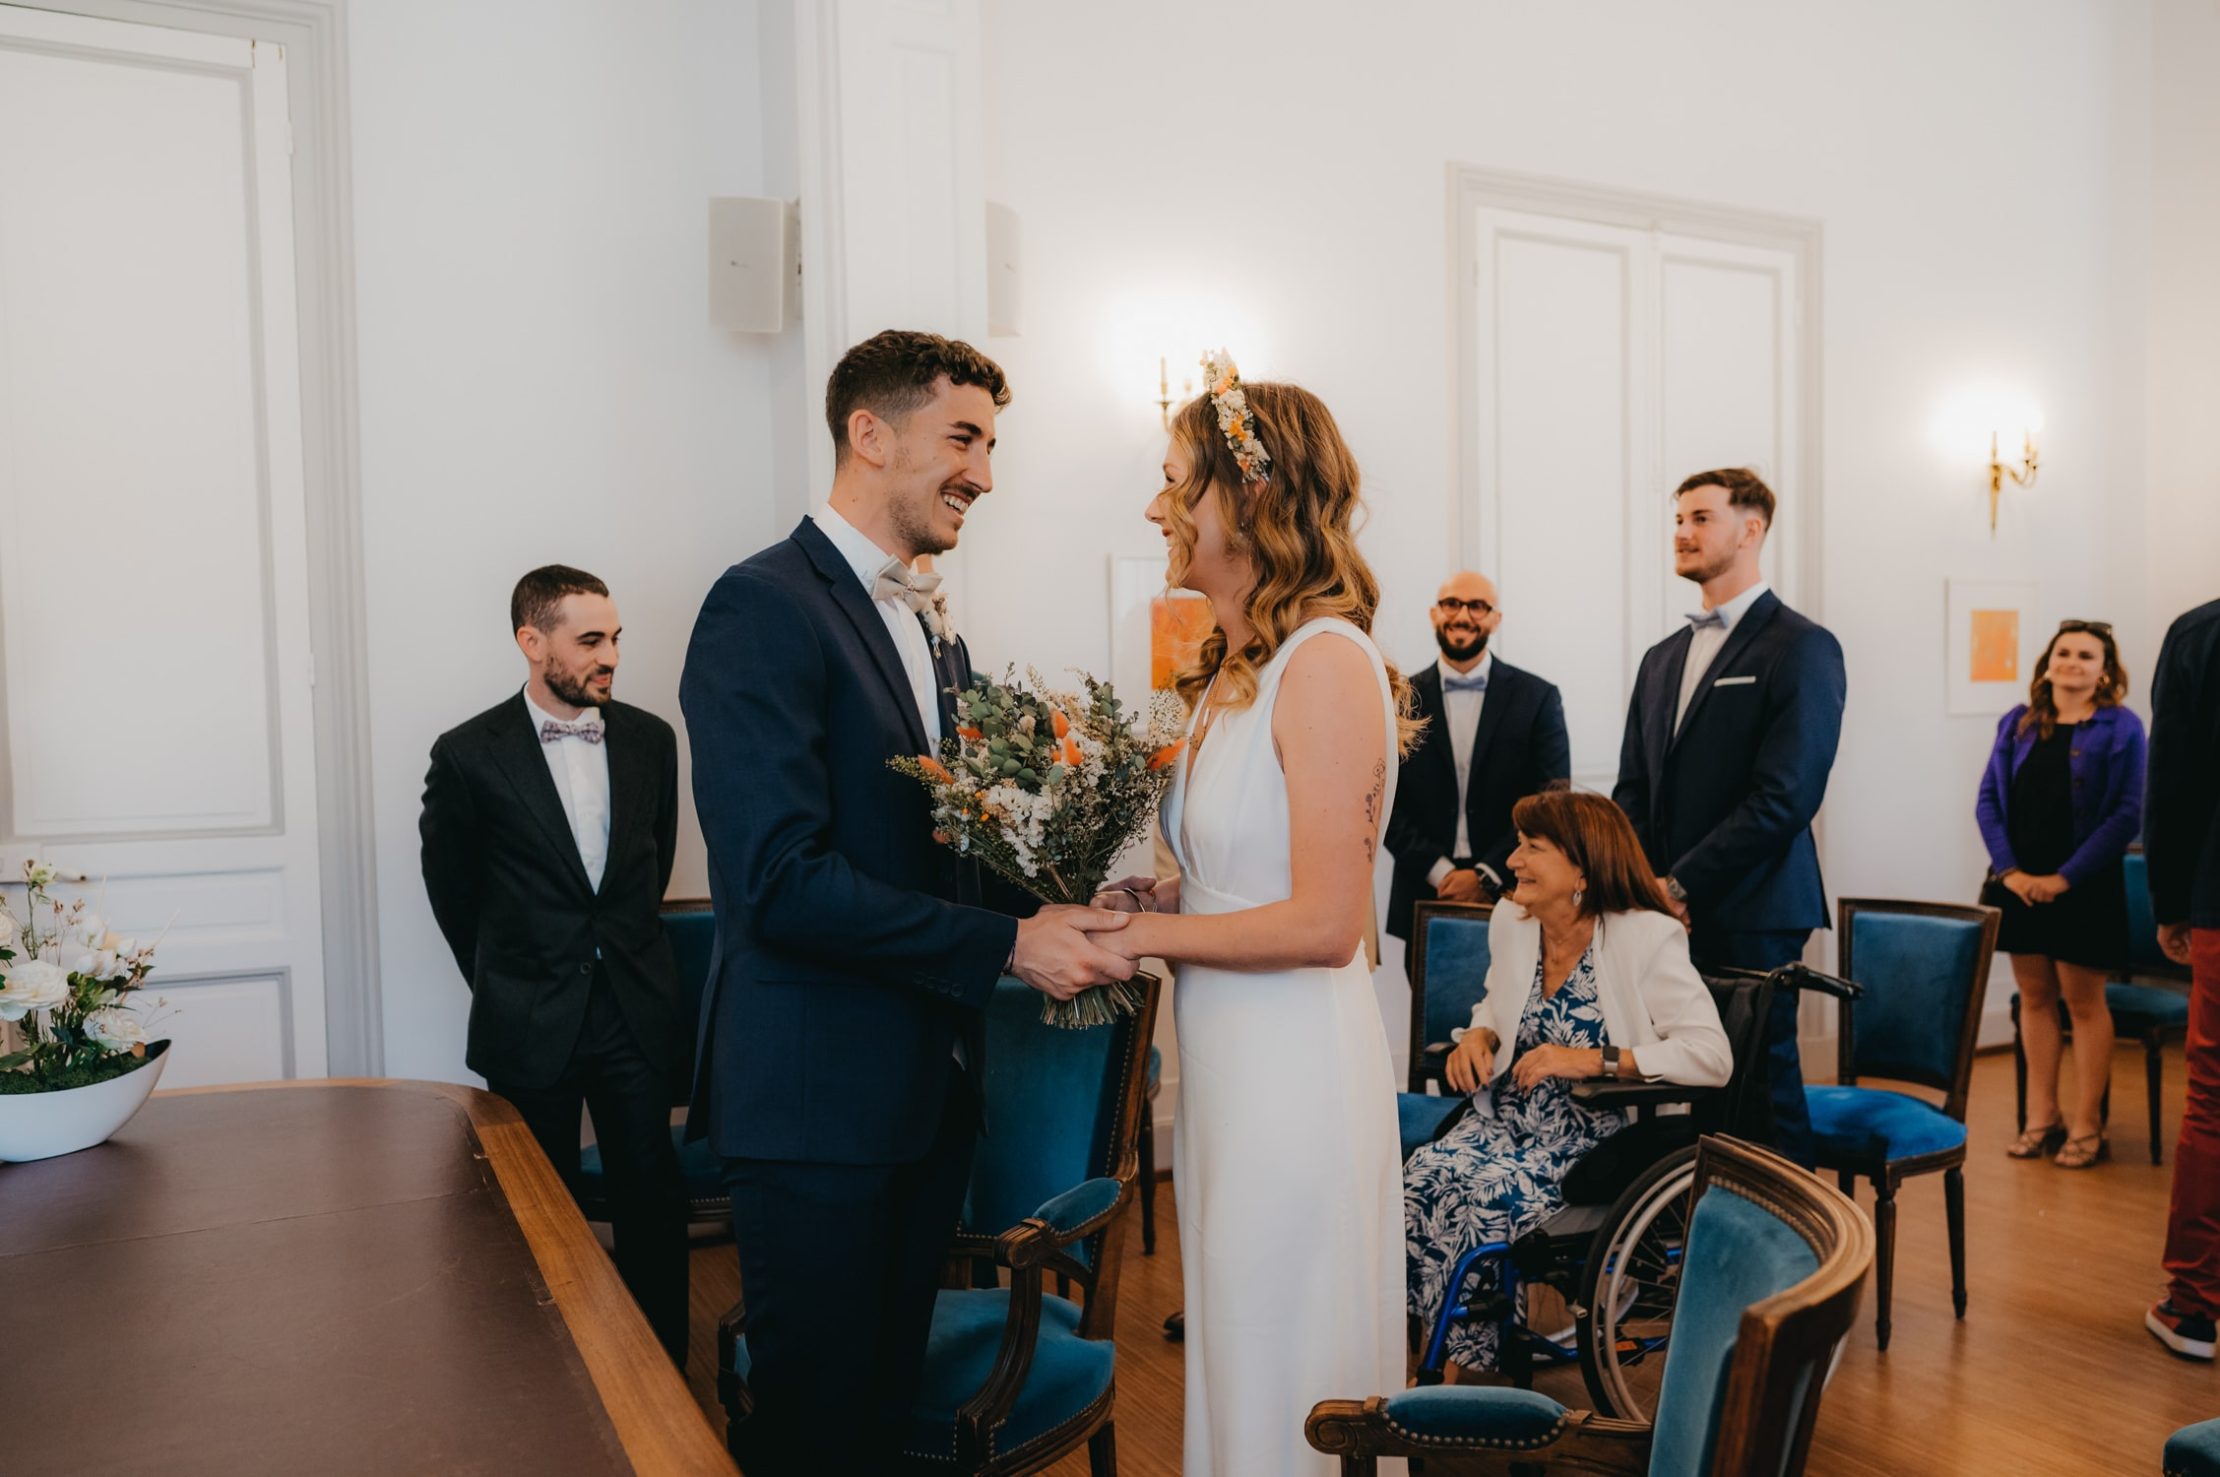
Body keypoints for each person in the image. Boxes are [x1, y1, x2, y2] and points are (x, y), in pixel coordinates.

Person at [679, 330, 1135, 1474]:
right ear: (870, 435)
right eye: (964, 438)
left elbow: (941, 857)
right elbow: (779, 881)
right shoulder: (760, 607)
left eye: (991, 443)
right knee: (819, 1429)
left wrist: (1075, 892)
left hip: (923, 1100)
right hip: (816, 1107)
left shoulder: (938, 634)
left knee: (884, 1419)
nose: (986, 471)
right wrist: (1010, 942)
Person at [1091, 354, 1411, 1476]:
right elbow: (1252, 873)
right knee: (1237, 1338)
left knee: (1287, 1350)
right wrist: (1164, 896)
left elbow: (1329, 923)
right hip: (1231, 1067)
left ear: (1254, 495)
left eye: (1177, 479)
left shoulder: (1326, 662)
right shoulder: (1239, 667)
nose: (1156, 506)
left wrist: (1140, 938)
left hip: (1296, 1077)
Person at [418, 564, 690, 1361]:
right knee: (539, 1214)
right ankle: (553, 1378)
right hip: (529, 1016)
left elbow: (650, 864)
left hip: (635, 1012)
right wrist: (509, 980)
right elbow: (451, 890)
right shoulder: (468, 754)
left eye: (615, 638)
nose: (610, 656)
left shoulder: (652, 739)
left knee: (653, 1206)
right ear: (531, 642)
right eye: (591, 640)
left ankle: (663, 1377)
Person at [1404, 788, 1729, 1374]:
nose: (1512, 860)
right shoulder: (1512, 921)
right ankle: (1444, 1355)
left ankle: (1453, 1371)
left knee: (1481, 1198)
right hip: (1501, 1121)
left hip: (1586, 1143)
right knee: (1421, 1179)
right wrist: (1477, 1037)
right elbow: (1494, 1005)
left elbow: (1711, 1056)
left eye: (1532, 848)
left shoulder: (1647, 937)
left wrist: (1593, 1058)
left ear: (1581, 865)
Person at [1611, 468, 1844, 1166]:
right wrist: (1642, 889)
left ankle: (1799, 1260)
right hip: (1661, 910)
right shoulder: (1661, 658)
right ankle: (1712, 1248)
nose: (1682, 531)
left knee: (1762, 1090)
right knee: (1698, 1089)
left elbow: (1786, 796)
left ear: (1752, 529)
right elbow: (1634, 790)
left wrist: (1680, 885)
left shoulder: (1801, 646)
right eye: (1678, 518)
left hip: (1755, 906)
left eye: (1701, 517)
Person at [1976, 621, 2145, 1168]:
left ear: (2105, 672)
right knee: (2035, 998)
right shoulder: (2016, 723)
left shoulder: (2122, 728)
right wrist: (2012, 873)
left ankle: (2086, 1125)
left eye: (2086, 655)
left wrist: (2064, 878)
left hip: (2085, 888)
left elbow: (2127, 813)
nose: (2072, 661)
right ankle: (2041, 1118)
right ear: (2049, 662)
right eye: (2064, 651)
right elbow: (1987, 802)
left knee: (2084, 1004)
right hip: (2019, 885)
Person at [1384, 571, 1570, 959]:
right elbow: (1383, 800)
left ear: (1495, 618)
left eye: (1477, 606)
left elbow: (1551, 799)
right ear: (1434, 613)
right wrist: (1442, 872)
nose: (1463, 615)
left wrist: (1486, 874)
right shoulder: (1397, 698)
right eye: (1451, 604)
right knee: (1429, 1019)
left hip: (1516, 886)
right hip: (1425, 892)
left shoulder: (1538, 698)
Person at [2147, 596, 2220, 1359]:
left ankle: (2194, 1305)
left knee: (2214, 1098)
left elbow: (2173, 782)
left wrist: (2169, 902)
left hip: (2218, 900)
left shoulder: (2202, 633)